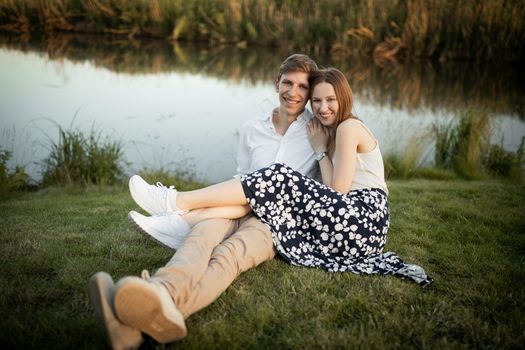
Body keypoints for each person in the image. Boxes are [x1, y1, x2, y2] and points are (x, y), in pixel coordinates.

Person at [89, 53, 320, 350]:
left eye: (303, 87)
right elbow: (241, 177)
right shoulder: (253, 128)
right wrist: (220, 211)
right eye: (288, 83)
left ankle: (145, 315)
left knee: (229, 255)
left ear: (310, 92)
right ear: (276, 83)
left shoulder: (317, 130)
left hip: (276, 224)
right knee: (200, 239)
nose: (294, 92)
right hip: (237, 205)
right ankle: (157, 295)